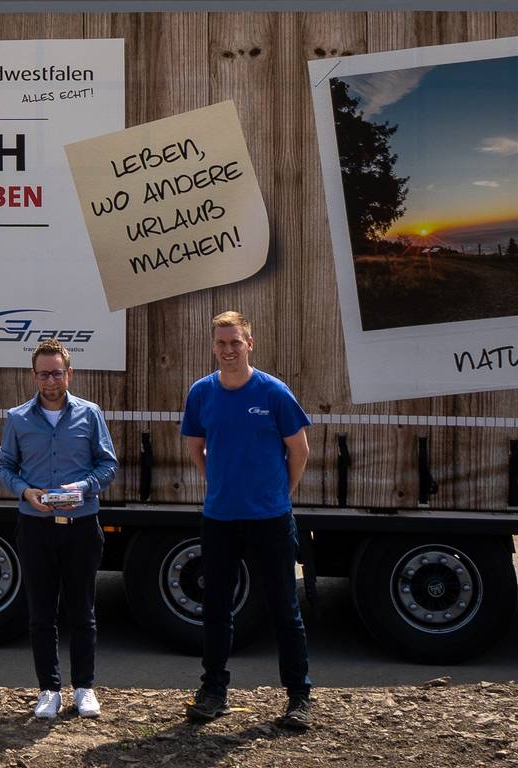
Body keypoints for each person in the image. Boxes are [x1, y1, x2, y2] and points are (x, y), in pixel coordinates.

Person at [181, 309, 315, 733]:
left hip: (270, 519)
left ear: (249, 344)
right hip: (220, 518)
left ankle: (298, 697)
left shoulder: (273, 392)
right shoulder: (201, 393)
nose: (227, 350)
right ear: (213, 346)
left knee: (284, 609)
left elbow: (300, 450)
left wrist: (280, 494)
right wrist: (220, 485)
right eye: (221, 343)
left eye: (235, 342)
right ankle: (213, 691)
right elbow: (196, 449)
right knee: (217, 609)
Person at [0, 338, 119, 721]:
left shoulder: (90, 414)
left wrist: (82, 487)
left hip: (81, 526)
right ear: (34, 376)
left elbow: (108, 465)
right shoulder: (18, 418)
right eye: (44, 373)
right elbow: (5, 467)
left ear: (70, 373)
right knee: (41, 613)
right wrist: (25, 491)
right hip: (35, 527)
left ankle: (84, 688)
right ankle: (49, 689)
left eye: (57, 372)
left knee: (82, 611)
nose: (51, 380)